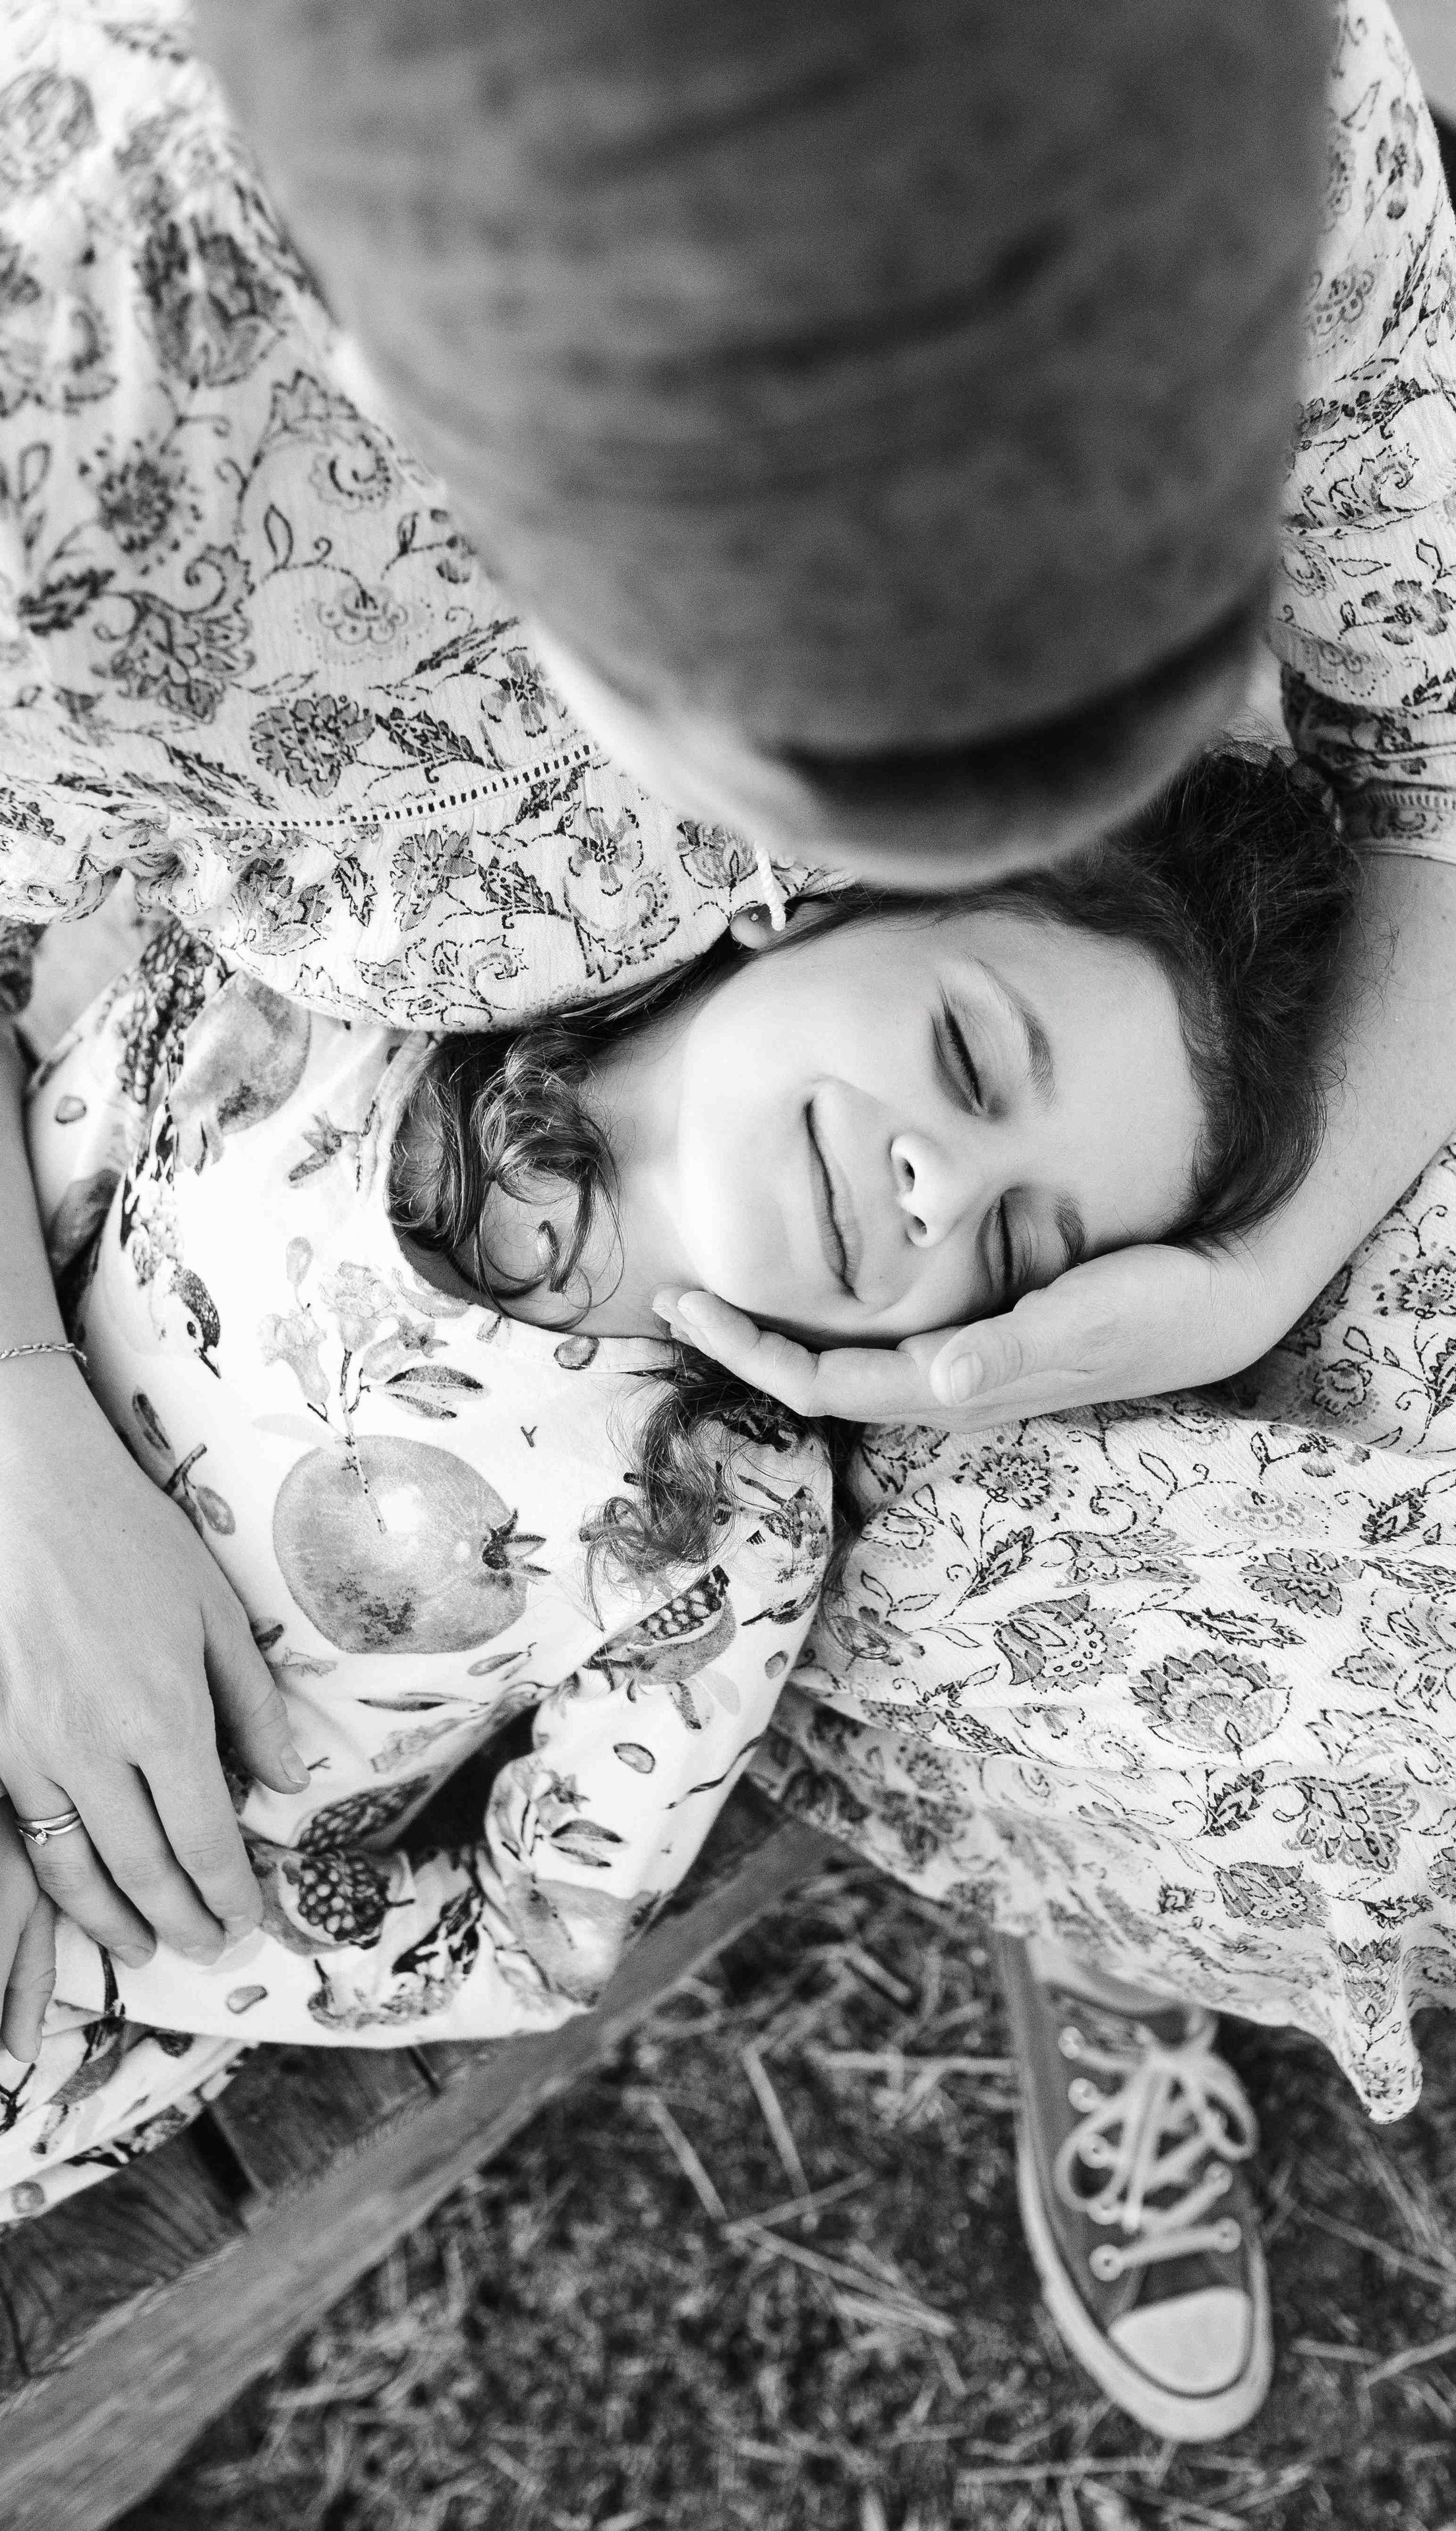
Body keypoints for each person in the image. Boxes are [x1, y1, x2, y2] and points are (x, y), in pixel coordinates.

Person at [0, 0, 1456, 2445]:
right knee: (1284, 1745)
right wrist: (25, 1432)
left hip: (1117, 1005)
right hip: (396, 1164)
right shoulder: (75, 342)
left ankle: (1167, 1875)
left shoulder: (1220, 80)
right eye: (851, 758)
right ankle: (1135, 1862)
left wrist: (1247, 1264)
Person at [0, 751, 1354, 2218]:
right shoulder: (346, 996)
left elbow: (539, 1934)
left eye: (1017, 1249)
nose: (945, 1190)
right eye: (967, 1059)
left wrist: (113, 1922)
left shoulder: (726, 1525)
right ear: (813, 898)